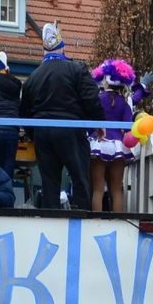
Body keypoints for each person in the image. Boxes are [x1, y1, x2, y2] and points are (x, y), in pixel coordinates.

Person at [18, 22, 105, 209]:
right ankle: (80, 216)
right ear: (62, 47)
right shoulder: (77, 69)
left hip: (43, 131)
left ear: (44, 51)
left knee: (50, 181)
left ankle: (52, 222)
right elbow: (91, 98)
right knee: (80, 176)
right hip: (71, 129)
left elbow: (24, 111)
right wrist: (99, 123)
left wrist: (34, 134)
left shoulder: (33, 77)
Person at [87, 58, 137, 212]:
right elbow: (128, 126)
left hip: (99, 144)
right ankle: (117, 224)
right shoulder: (124, 101)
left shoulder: (97, 99)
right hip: (118, 147)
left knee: (98, 190)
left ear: (105, 82)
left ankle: (96, 223)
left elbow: (90, 123)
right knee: (116, 191)